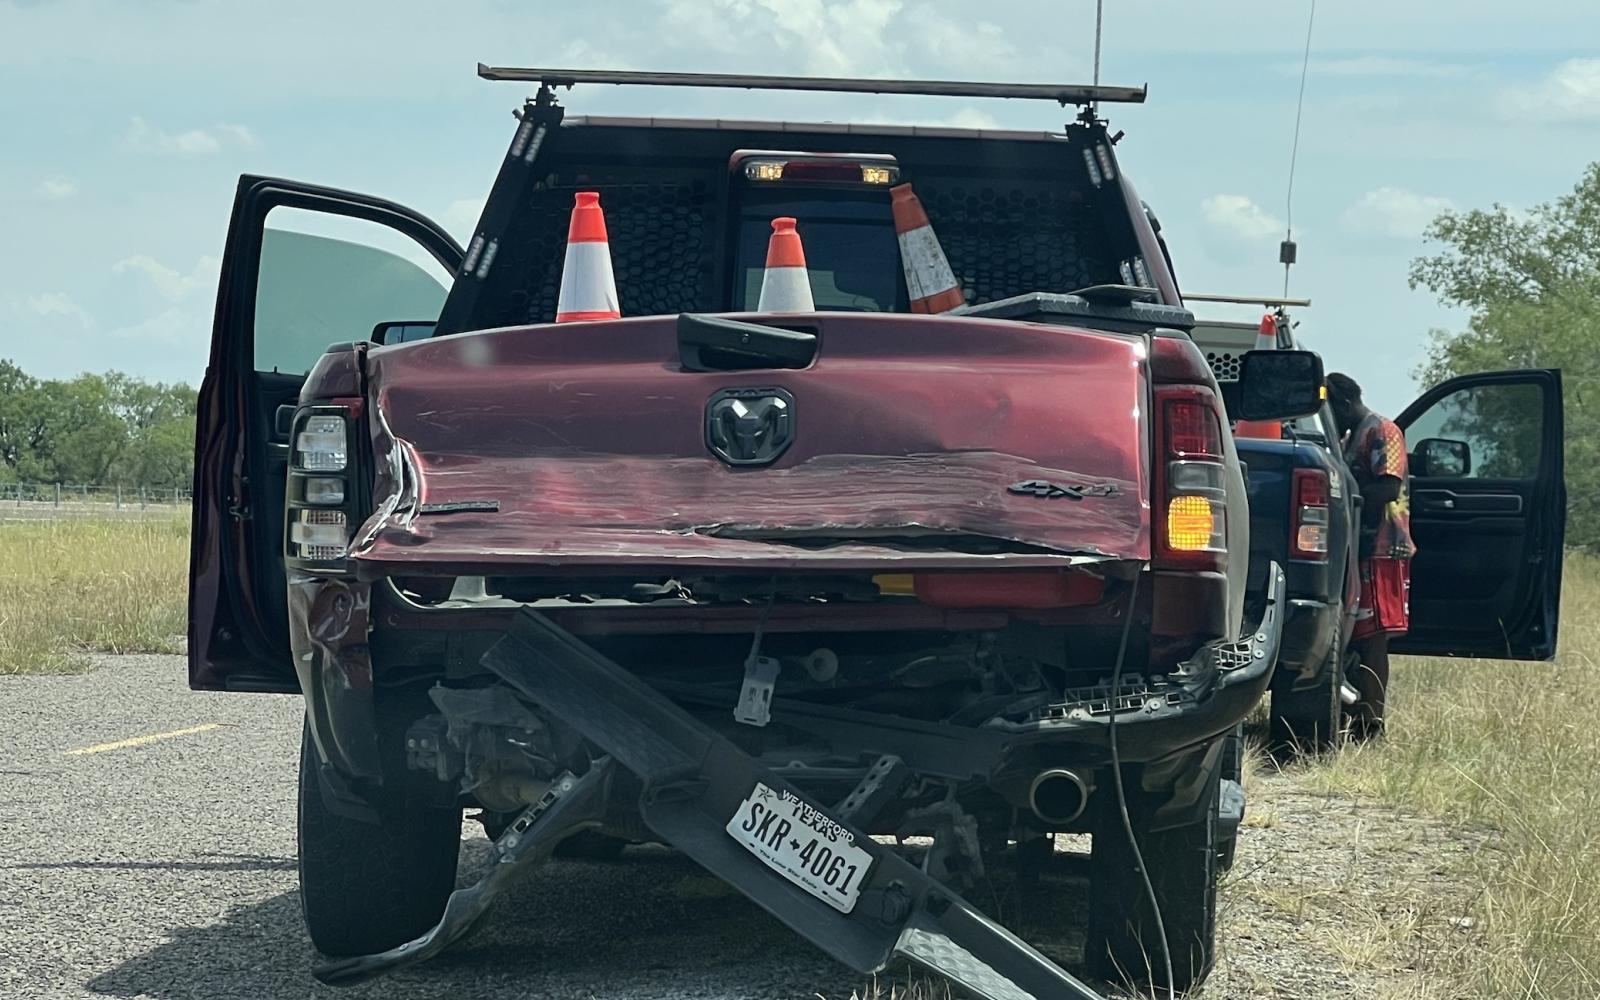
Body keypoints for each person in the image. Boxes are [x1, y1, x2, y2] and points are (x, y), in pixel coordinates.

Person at [1326, 372, 1415, 740]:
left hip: (1382, 546)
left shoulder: (1382, 430)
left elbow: (1389, 486)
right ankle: (1356, 714)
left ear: (1344, 404)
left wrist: (1347, 496)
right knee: (1356, 634)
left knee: (1375, 636)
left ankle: (1372, 722)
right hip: (1358, 546)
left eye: (1331, 410)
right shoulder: (1352, 435)